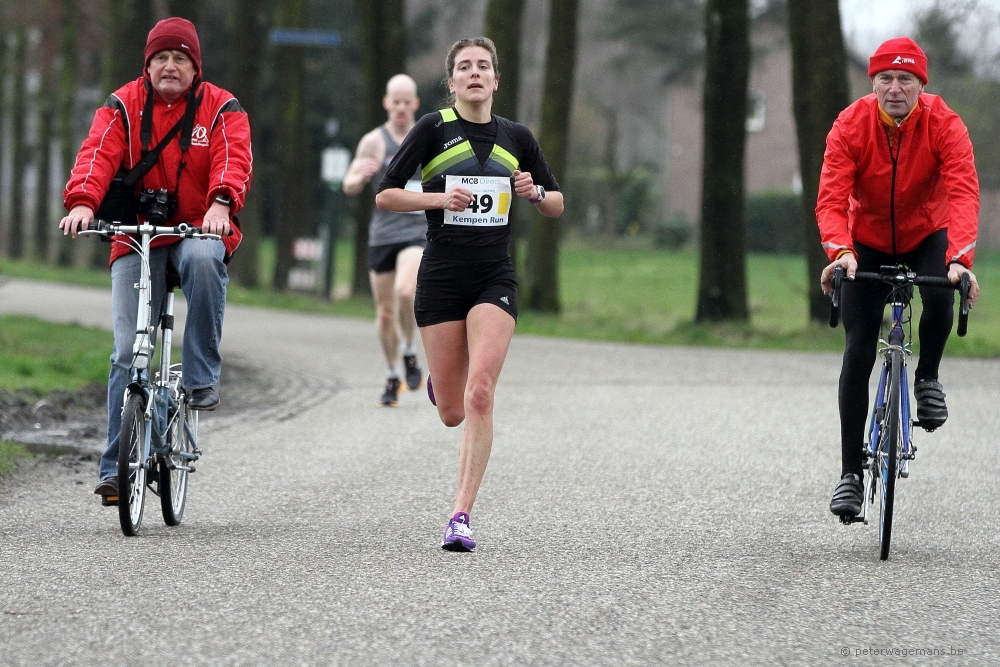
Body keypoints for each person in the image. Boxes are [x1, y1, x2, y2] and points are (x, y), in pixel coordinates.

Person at [375, 38, 564, 551]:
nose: (475, 73)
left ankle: (460, 515)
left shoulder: (517, 137)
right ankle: (443, 384)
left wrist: (536, 193)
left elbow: (557, 202)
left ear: (496, 80)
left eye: (484, 66)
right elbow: (387, 192)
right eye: (465, 67)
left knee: (481, 392)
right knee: (453, 411)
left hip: (493, 277)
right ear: (452, 81)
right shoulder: (433, 129)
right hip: (441, 277)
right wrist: (439, 197)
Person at [59, 17, 252, 504]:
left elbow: (233, 157)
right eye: (161, 58)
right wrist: (83, 201)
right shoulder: (122, 105)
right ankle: (113, 470)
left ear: (195, 67)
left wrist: (221, 203)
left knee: (208, 259)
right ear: (147, 65)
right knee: (127, 352)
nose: (170, 66)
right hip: (137, 236)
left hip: (195, 229)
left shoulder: (222, 107)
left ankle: (201, 376)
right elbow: (97, 154)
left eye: (180, 59)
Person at [817, 37, 981, 518]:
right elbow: (831, 198)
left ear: (920, 86)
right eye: (885, 79)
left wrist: (960, 258)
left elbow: (964, 192)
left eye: (905, 79)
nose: (894, 88)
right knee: (859, 344)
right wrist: (840, 251)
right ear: (873, 83)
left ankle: (927, 377)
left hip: (925, 233)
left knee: (944, 292)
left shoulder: (945, 123)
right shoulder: (851, 123)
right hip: (864, 240)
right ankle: (850, 473)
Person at [342, 74, 427, 407]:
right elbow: (348, 183)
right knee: (385, 314)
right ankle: (392, 375)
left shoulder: (427, 138)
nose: (402, 108)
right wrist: (359, 176)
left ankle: (409, 351)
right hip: (383, 236)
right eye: (397, 102)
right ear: (386, 103)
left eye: (408, 102)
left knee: (406, 291)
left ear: (416, 104)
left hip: (417, 232)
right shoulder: (373, 142)